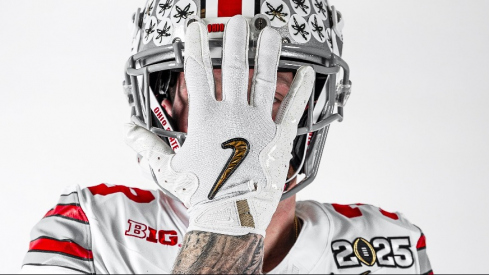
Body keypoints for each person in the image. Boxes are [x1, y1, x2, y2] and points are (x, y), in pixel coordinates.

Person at [21, 1, 432, 274]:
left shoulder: (390, 245)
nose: (238, 128)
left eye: (269, 95)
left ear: (313, 107)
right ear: (163, 102)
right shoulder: (92, 228)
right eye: (209, 95)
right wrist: (222, 223)